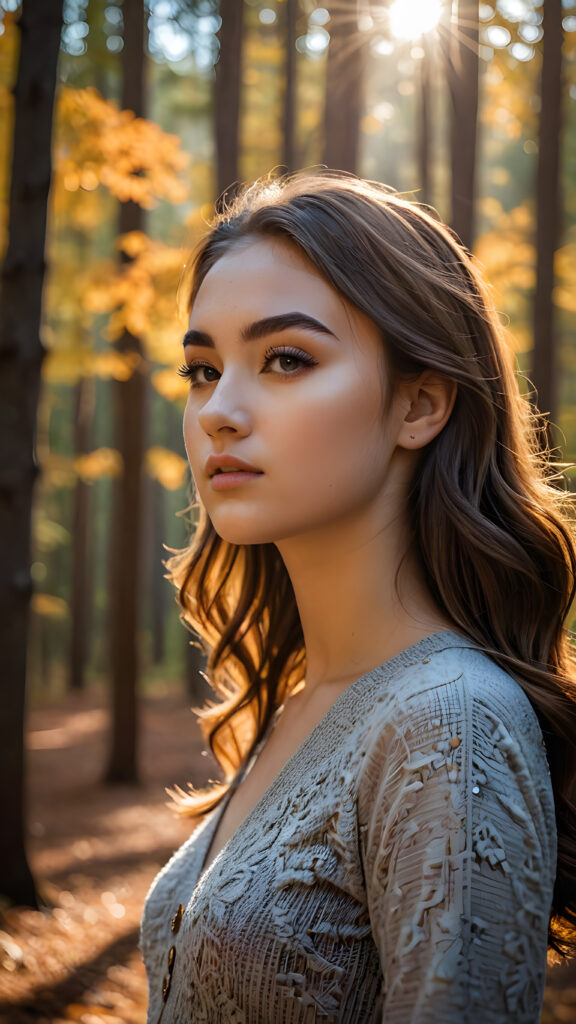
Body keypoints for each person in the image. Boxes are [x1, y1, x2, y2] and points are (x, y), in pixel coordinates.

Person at [139, 171, 576, 1023]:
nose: (219, 411)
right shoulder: (300, 703)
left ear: (419, 403)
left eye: (287, 359)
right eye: (201, 369)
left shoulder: (452, 722)